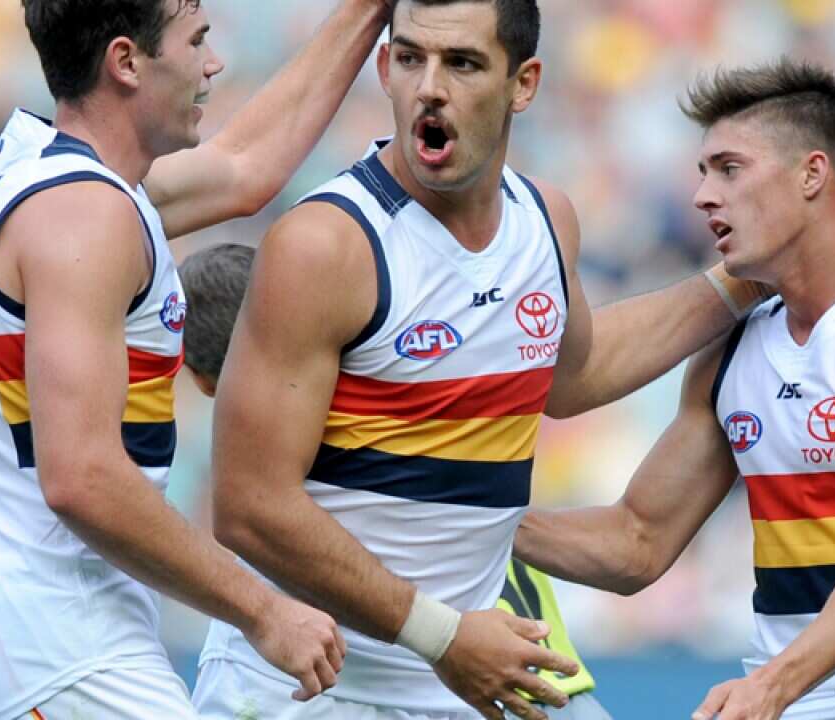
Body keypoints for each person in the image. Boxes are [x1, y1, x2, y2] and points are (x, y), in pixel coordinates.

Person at [201, 1, 771, 718]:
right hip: (316, 688)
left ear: (523, 84)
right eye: (410, 59)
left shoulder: (546, 219)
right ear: (384, 67)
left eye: (462, 63)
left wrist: (740, 284)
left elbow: (573, 376)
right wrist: (440, 636)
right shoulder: (327, 244)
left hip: (474, 670)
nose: (429, 88)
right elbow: (248, 507)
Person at [0, 1, 392, 718]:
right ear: (126, 62)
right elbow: (80, 476)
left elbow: (244, 167)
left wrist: (369, 10)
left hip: (21, 636)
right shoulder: (85, 214)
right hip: (57, 652)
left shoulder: (52, 175)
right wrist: (264, 610)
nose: (213, 64)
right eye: (198, 41)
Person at [514, 59, 835, 720]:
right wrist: (464, 514)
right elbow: (635, 542)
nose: (702, 197)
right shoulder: (734, 348)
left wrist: (774, 684)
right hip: (779, 698)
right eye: (701, 174)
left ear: (811, 174)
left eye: (729, 168)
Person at [177, 244, 611, 720]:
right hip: (528, 685)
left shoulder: (289, 506)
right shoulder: (432, 420)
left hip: (485, 685)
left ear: (200, 379)